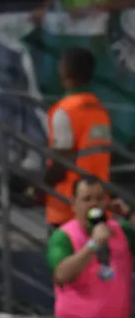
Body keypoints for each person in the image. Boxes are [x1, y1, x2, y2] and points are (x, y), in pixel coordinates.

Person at [48, 177, 135, 318]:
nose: (94, 204)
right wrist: (93, 244)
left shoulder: (122, 230)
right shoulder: (63, 236)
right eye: (86, 199)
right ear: (73, 203)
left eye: (99, 199)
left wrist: (128, 214)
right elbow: (61, 275)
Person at [45, 47, 112, 229]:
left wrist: (39, 186)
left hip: (68, 208)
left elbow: (61, 161)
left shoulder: (65, 111)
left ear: (66, 73)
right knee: (97, 253)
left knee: (65, 255)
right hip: (98, 202)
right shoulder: (100, 111)